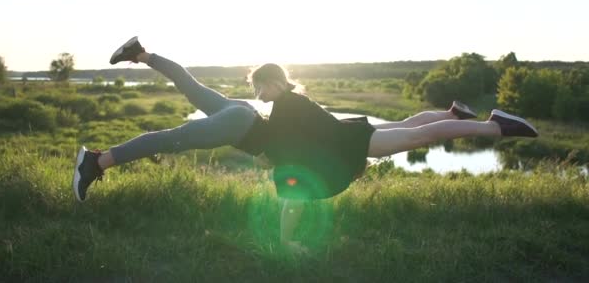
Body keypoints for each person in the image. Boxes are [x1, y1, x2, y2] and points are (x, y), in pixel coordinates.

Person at [74, 36, 538, 251]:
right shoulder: (285, 108)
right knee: (414, 130)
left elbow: (292, 184)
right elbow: (190, 83)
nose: (259, 92)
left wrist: (286, 237)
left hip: (291, 134)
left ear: (276, 83)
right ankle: (472, 119)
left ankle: (489, 124)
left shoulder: (285, 106)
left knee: (413, 131)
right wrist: (287, 241)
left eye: (263, 85)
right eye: (255, 87)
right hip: (272, 129)